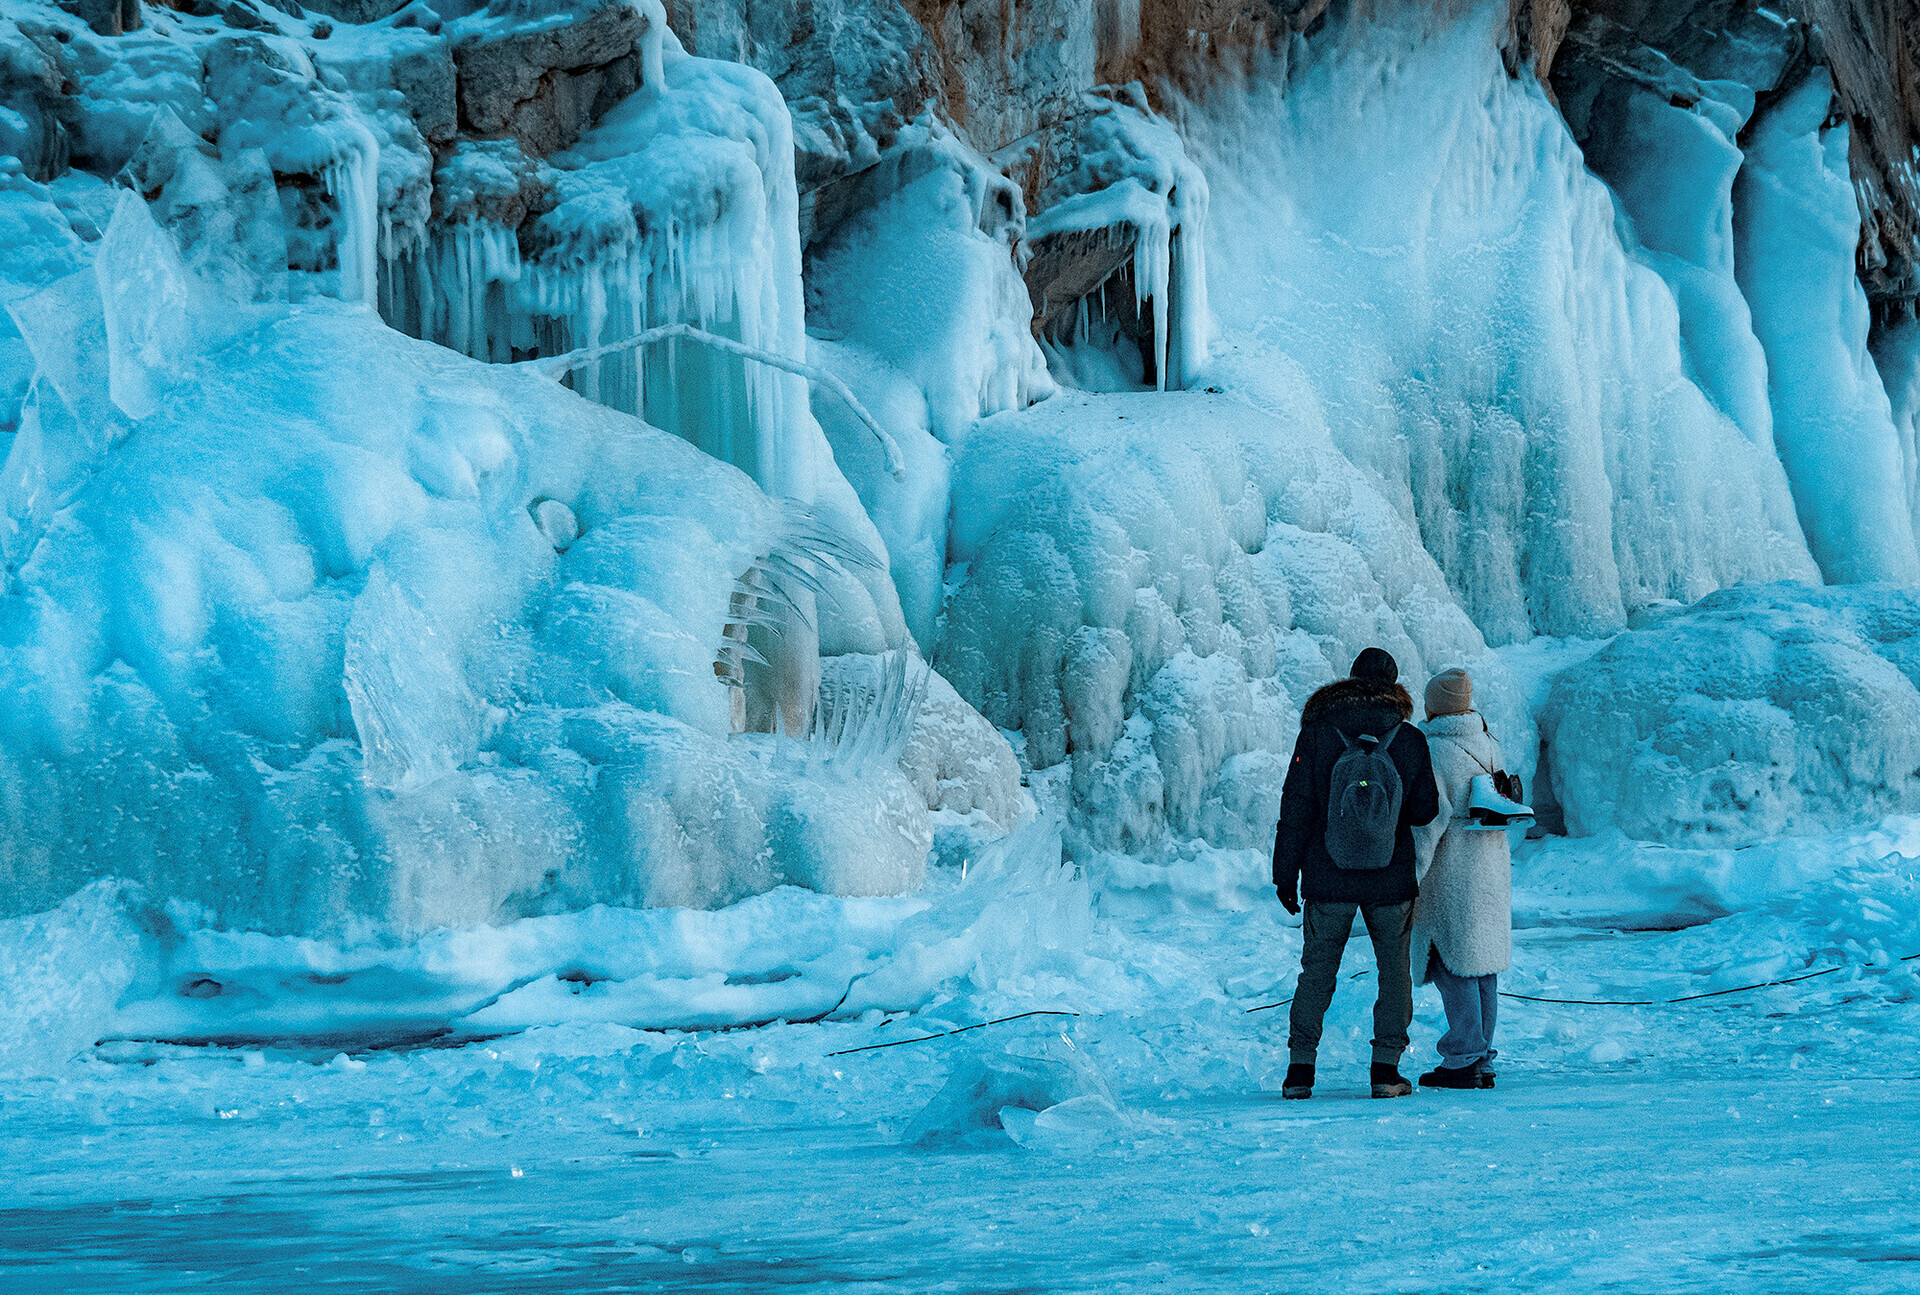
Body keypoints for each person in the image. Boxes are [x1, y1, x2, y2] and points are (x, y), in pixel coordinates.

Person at [1272, 647, 1440, 1100]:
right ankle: (1386, 1071)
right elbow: (1426, 812)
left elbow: (1295, 811)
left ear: (1348, 682)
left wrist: (1284, 876)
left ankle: (1299, 1072)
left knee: (1317, 972)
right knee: (1393, 972)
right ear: (1394, 686)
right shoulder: (1408, 739)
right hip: (1391, 880)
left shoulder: (1316, 736)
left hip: (1327, 877)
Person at [1409, 666, 1512, 1090]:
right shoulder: (1489, 744)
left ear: (1434, 707)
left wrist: (1410, 874)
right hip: (1490, 872)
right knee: (1482, 965)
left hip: (1451, 877)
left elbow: (1429, 821)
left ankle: (1464, 1056)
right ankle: (1481, 1055)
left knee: (1451, 965)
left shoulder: (1435, 752)